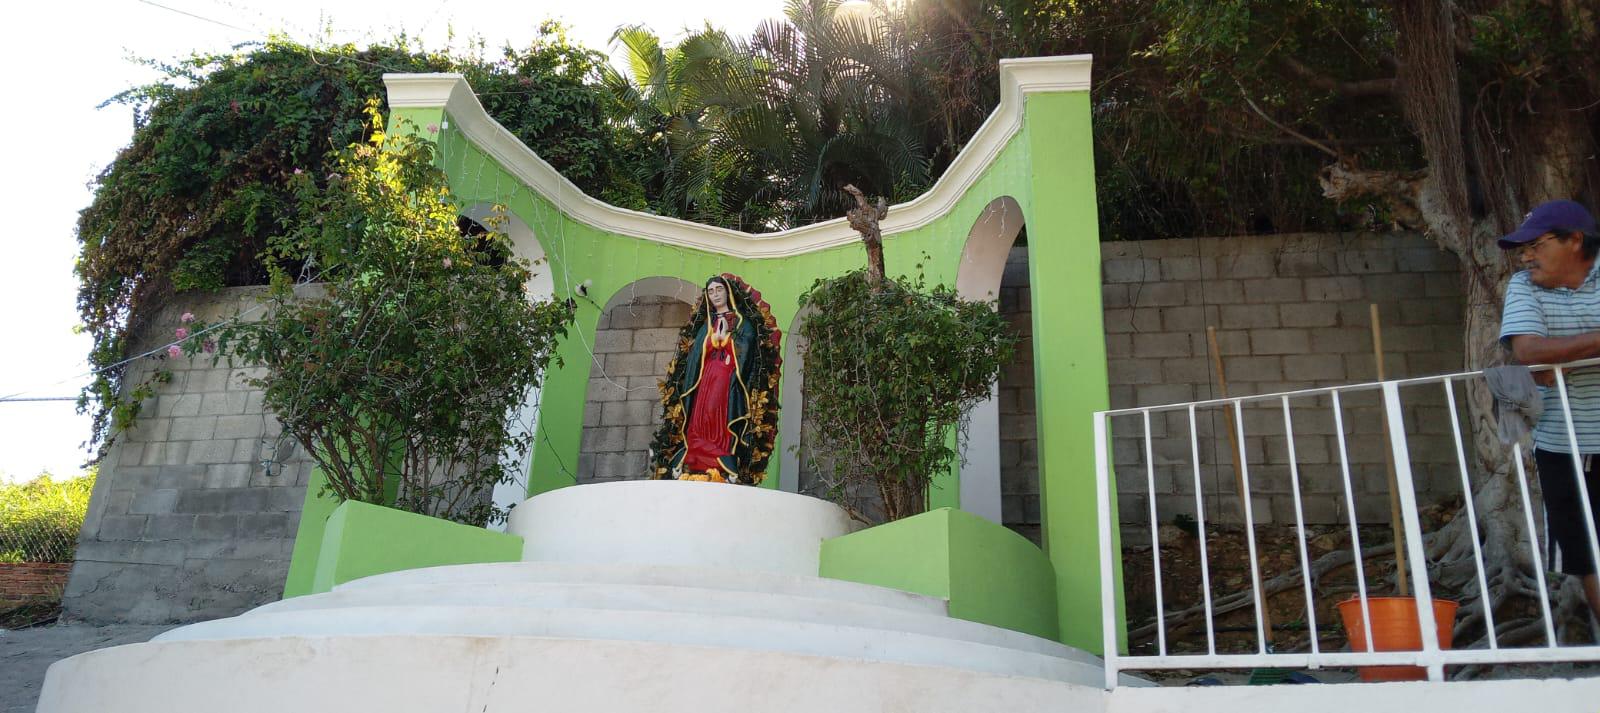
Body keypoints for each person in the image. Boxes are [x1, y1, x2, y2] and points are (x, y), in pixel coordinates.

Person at [1498, 199, 1600, 617]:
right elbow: (1529, 351)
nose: (1526, 256)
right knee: (1586, 556)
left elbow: (1549, 355)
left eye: (1536, 245)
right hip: (1563, 446)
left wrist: (1566, 355)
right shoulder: (1524, 286)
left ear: (1575, 240)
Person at [672, 276, 759, 483]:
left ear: (727, 292)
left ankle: (719, 451)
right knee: (699, 413)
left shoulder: (740, 322)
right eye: (711, 292)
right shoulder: (707, 324)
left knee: (715, 410)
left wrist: (727, 341)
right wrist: (712, 341)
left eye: (719, 290)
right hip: (706, 375)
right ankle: (698, 453)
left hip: (727, 375)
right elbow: (695, 355)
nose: (715, 295)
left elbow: (747, 345)